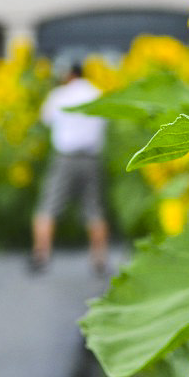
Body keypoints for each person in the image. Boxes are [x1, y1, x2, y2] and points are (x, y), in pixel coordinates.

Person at [31, 62, 109, 274]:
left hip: (65, 158)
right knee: (94, 207)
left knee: (49, 205)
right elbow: (104, 123)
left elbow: (45, 119)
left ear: (69, 74)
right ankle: (99, 258)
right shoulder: (98, 93)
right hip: (91, 158)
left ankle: (41, 255)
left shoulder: (59, 95)